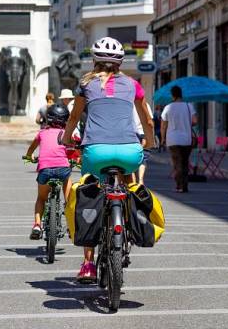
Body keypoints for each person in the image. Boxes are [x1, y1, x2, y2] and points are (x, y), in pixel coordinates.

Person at [62, 37, 155, 283]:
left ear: (94, 60)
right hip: (129, 152)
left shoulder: (85, 84)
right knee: (130, 185)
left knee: (90, 192)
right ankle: (128, 222)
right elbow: (148, 120)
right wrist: (151, 141)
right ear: (120, 62)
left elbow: (73, 118)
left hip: (96, 152)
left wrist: (65, 138)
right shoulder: (133, 84)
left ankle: (88, 264)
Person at [23, 103, 74, 240]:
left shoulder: (42, 133)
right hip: (63, 170)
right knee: (69, 199)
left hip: (45, 170)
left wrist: (29, 157)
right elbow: (74, 150)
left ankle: (37, 225)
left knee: (41, 198)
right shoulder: (67, 134)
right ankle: (71, 226)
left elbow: (31, 149)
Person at [160, 86, 197, 193]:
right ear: (181, 94)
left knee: (177, 163)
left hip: (173, 139)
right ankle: (184, 184)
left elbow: (163, 125)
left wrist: (163, 138)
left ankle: (179, 186)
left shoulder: (168, 107)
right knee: (185, 162)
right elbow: (195, 121)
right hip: (187, 139)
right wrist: (185, 122)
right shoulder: (189, 106)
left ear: (173, 95)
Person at [133, 100, 153, 184]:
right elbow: (150, 120)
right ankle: (141, 180)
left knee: (132, 158)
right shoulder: (146, 104)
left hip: (132, 133)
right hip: (144, 132)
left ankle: (133, 182)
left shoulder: (127, 103)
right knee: (143, 158)